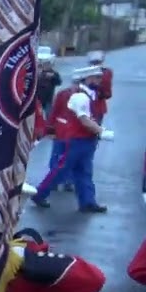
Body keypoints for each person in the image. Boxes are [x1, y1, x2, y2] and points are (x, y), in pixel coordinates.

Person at [31, 67, 111, 213]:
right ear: (87, 78)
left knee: (84, 171)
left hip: (86, 138)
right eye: (96, 77)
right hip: (73, 138)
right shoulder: (77, 95)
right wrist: (102, 131)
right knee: (61, 169)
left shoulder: (92, 94)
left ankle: (87, 202)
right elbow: (83, 119)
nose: (100, 81)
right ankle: (39, 194)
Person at [87, 50, 113, 123]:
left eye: (97, 62)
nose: (95, 64)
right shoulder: (86, 72)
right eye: (94, 62)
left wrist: (96, 87)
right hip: (84, 106)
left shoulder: (105, 72)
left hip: (97, 106)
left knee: (95, 129)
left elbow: (107, 92)